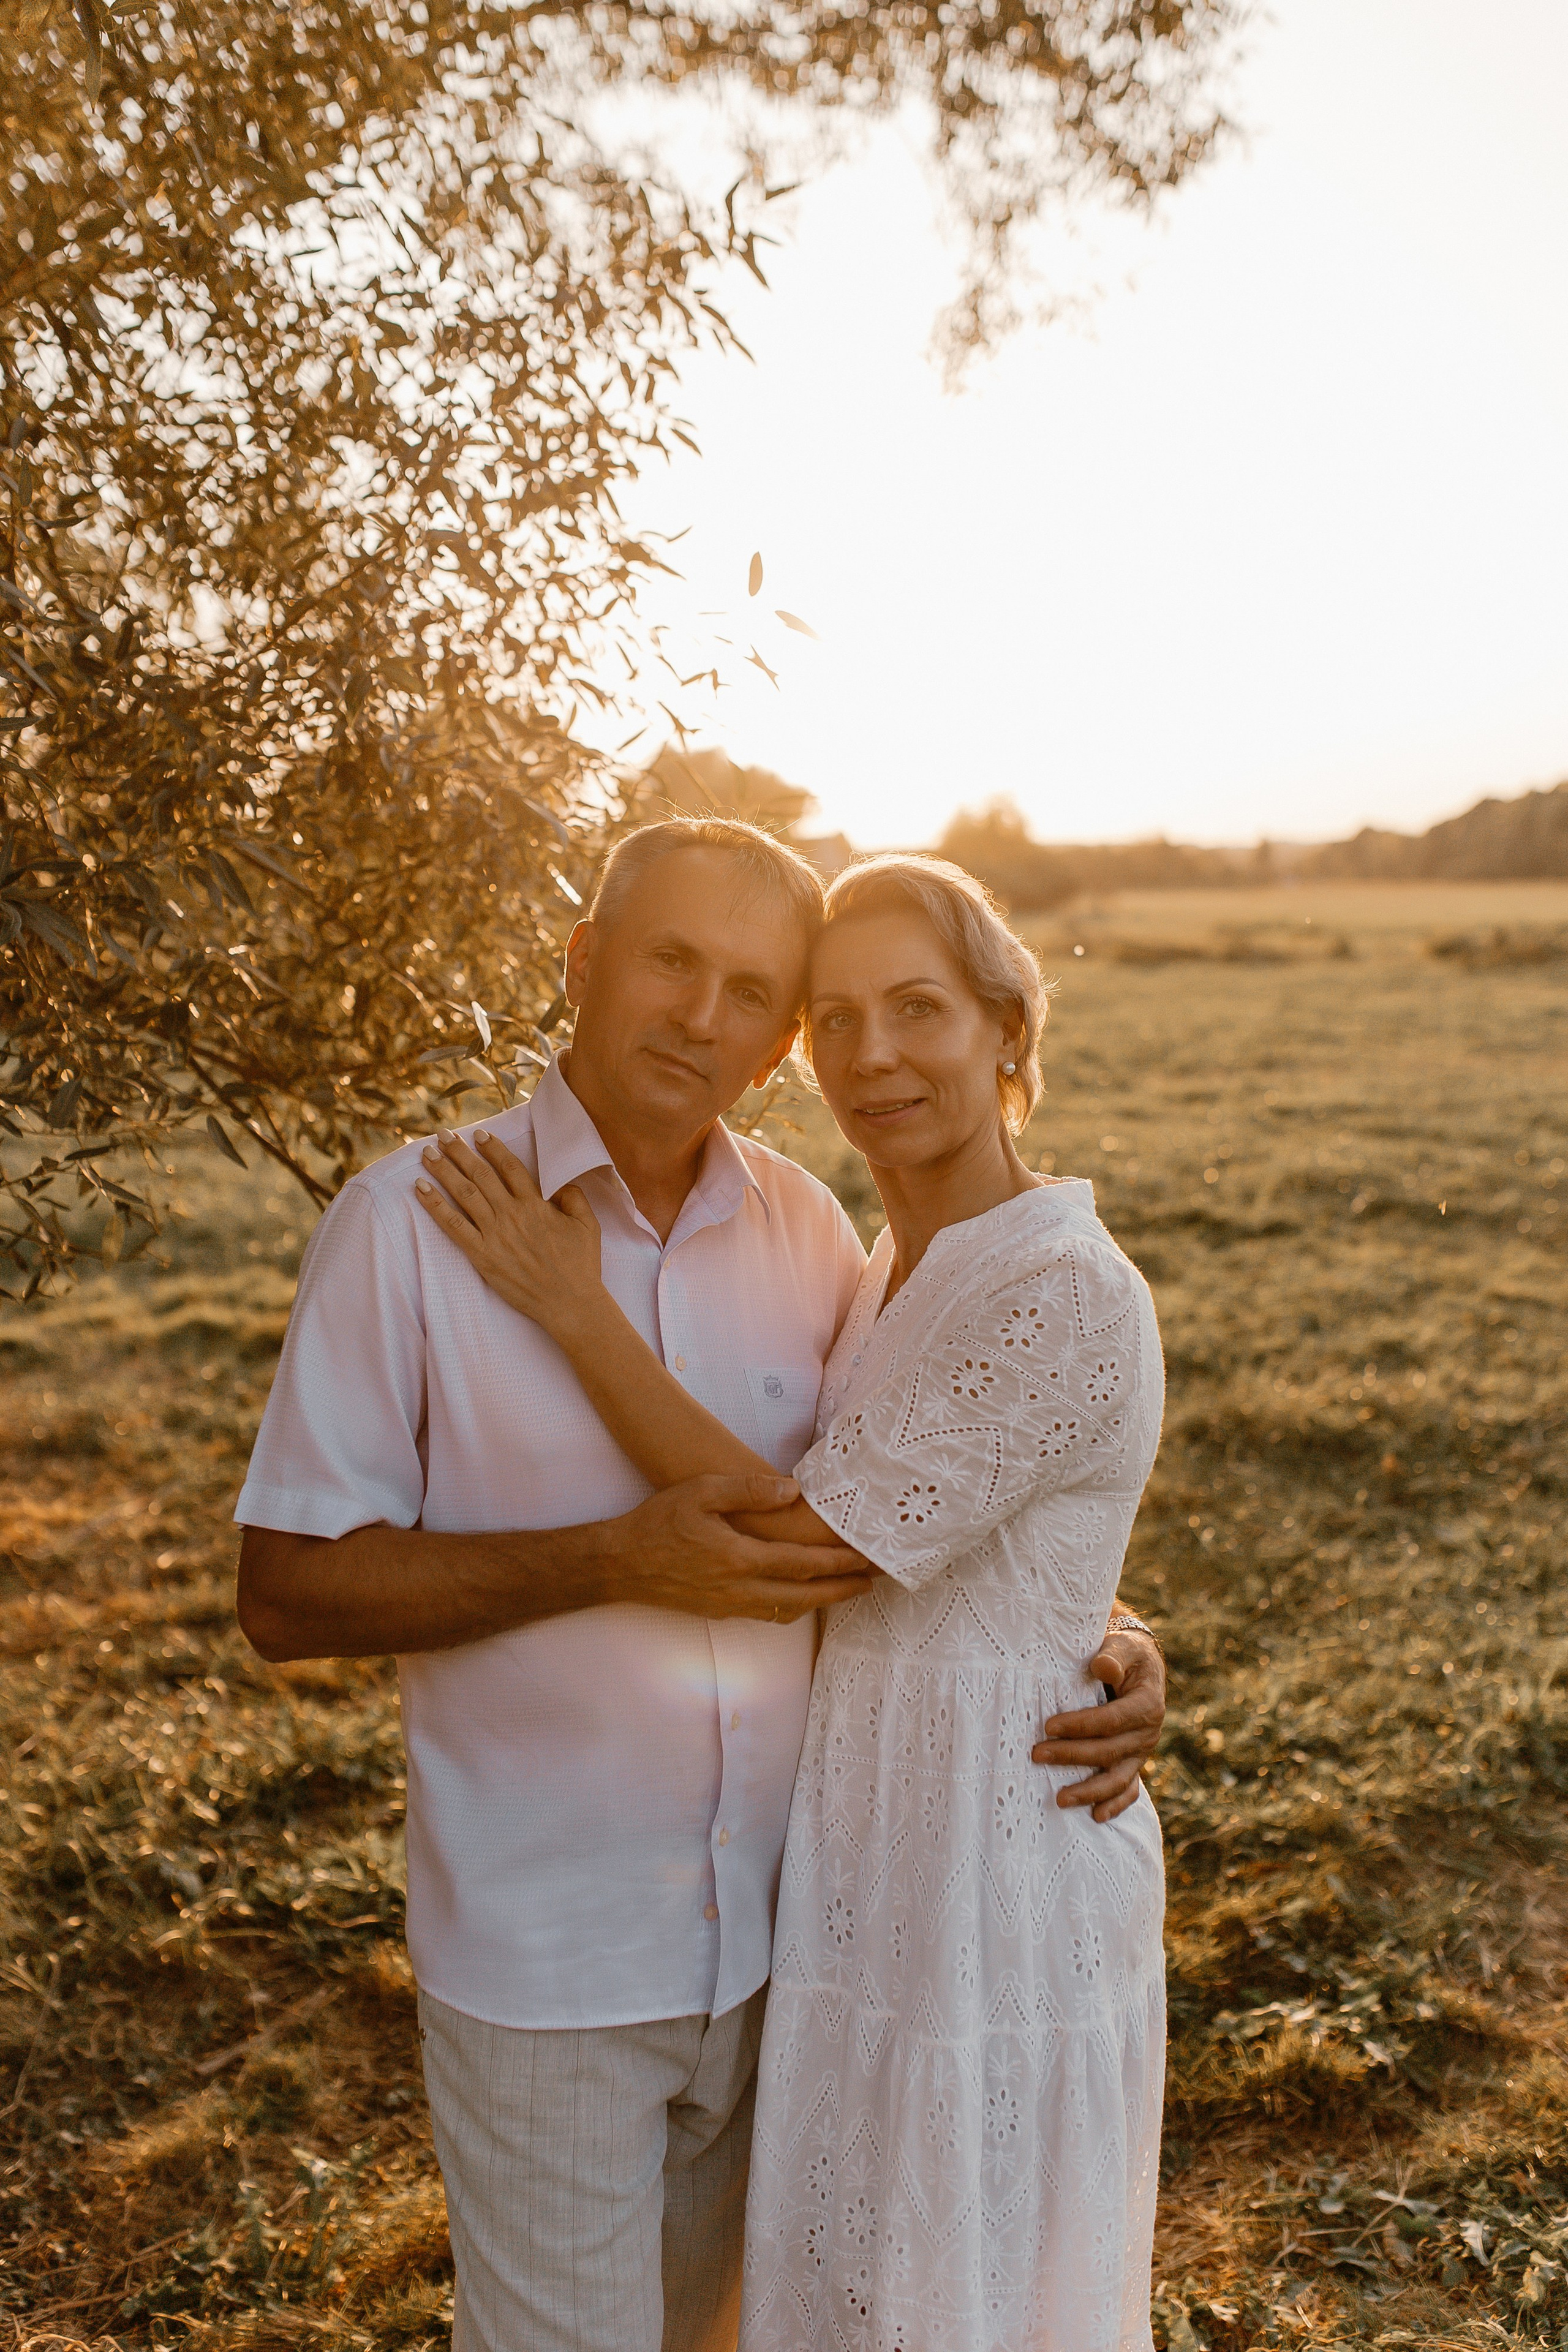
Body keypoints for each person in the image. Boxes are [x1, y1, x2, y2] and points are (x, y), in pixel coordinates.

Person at [236, 818, 1166, 2352]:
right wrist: (609, 1560)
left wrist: (1100, 1628)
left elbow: (870, 1526)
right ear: (583, 958)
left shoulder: (811, 1236)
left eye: (752, 990)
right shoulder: (412, 1225)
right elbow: (285, 1596)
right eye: (670, 960)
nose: (701, 1015)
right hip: (557, 1957)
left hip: (804, 1942)